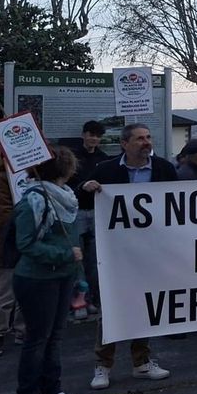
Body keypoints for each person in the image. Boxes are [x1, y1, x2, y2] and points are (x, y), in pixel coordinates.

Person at [80, 124, 174, 389]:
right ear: (124, 144)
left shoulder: (164, 169)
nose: (146, 142)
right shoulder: (106, 170)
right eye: (139, 138)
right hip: (115, 253)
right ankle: (103, 365)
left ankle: (141, 362)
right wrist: (86, 187)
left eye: (148, 137)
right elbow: (85, 202)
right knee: (111, 307)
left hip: (150, 252)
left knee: (145, 305)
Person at [12, 147, 82, 394]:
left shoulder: (66, 197)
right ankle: (29, 392)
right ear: (64, 168)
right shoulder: (33, 200)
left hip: (63, 276)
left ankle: (53, 389)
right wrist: (65, 256)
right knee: (38, 337)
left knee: (55, 336)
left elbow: (73, 244)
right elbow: (26, 245)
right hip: (37, 279)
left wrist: (77, 272)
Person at [0, 153, 27, 357]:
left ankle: (22, 330)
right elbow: (1, 215)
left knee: (26, 292)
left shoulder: (29, 175)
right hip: (9, 245)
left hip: (27, 243)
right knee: (5, 293)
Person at [69, 121, 109, 321]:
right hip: (75, 211)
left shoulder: (103, 159)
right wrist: (82, 186)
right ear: (83, 135)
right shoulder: (73, 157)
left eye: (97, 135)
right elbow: (66, 180)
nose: (94, 138)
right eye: (91, 134)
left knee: (95, 260)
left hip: (97, 212)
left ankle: (93, 299)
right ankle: (79, 301)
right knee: (77, 259)